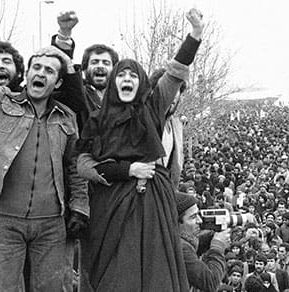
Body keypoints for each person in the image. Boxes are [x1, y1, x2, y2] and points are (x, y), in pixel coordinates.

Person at [0, 6, 88, 291]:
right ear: (27, 74)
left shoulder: (66, 118)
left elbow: (75, 169)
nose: (41, 74)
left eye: (49, 70)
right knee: (2, 288)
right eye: (36, 68)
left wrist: (79, 207)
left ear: (58, 81)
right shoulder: (2, 103)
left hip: (52, 225)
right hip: (5, 221)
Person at [75, 8, 204, 291]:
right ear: (114, 82)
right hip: (110, 204)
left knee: (154, 273)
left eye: (134, 75)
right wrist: (126, 169)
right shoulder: (97, 118)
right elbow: (83, 164)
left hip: (152, 204)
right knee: (114, 274)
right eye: (122, 74)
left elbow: (174, 74)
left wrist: (194, 35)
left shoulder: (153, 108)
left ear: (141, 83)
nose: (128, 79)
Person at [176, 191, 230, 292]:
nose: (199, 221)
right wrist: (217, 247)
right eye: (193, 217)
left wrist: (208, 239)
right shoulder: (181, 247)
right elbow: (210, 282)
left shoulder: (172, 240)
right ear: (176, 222)